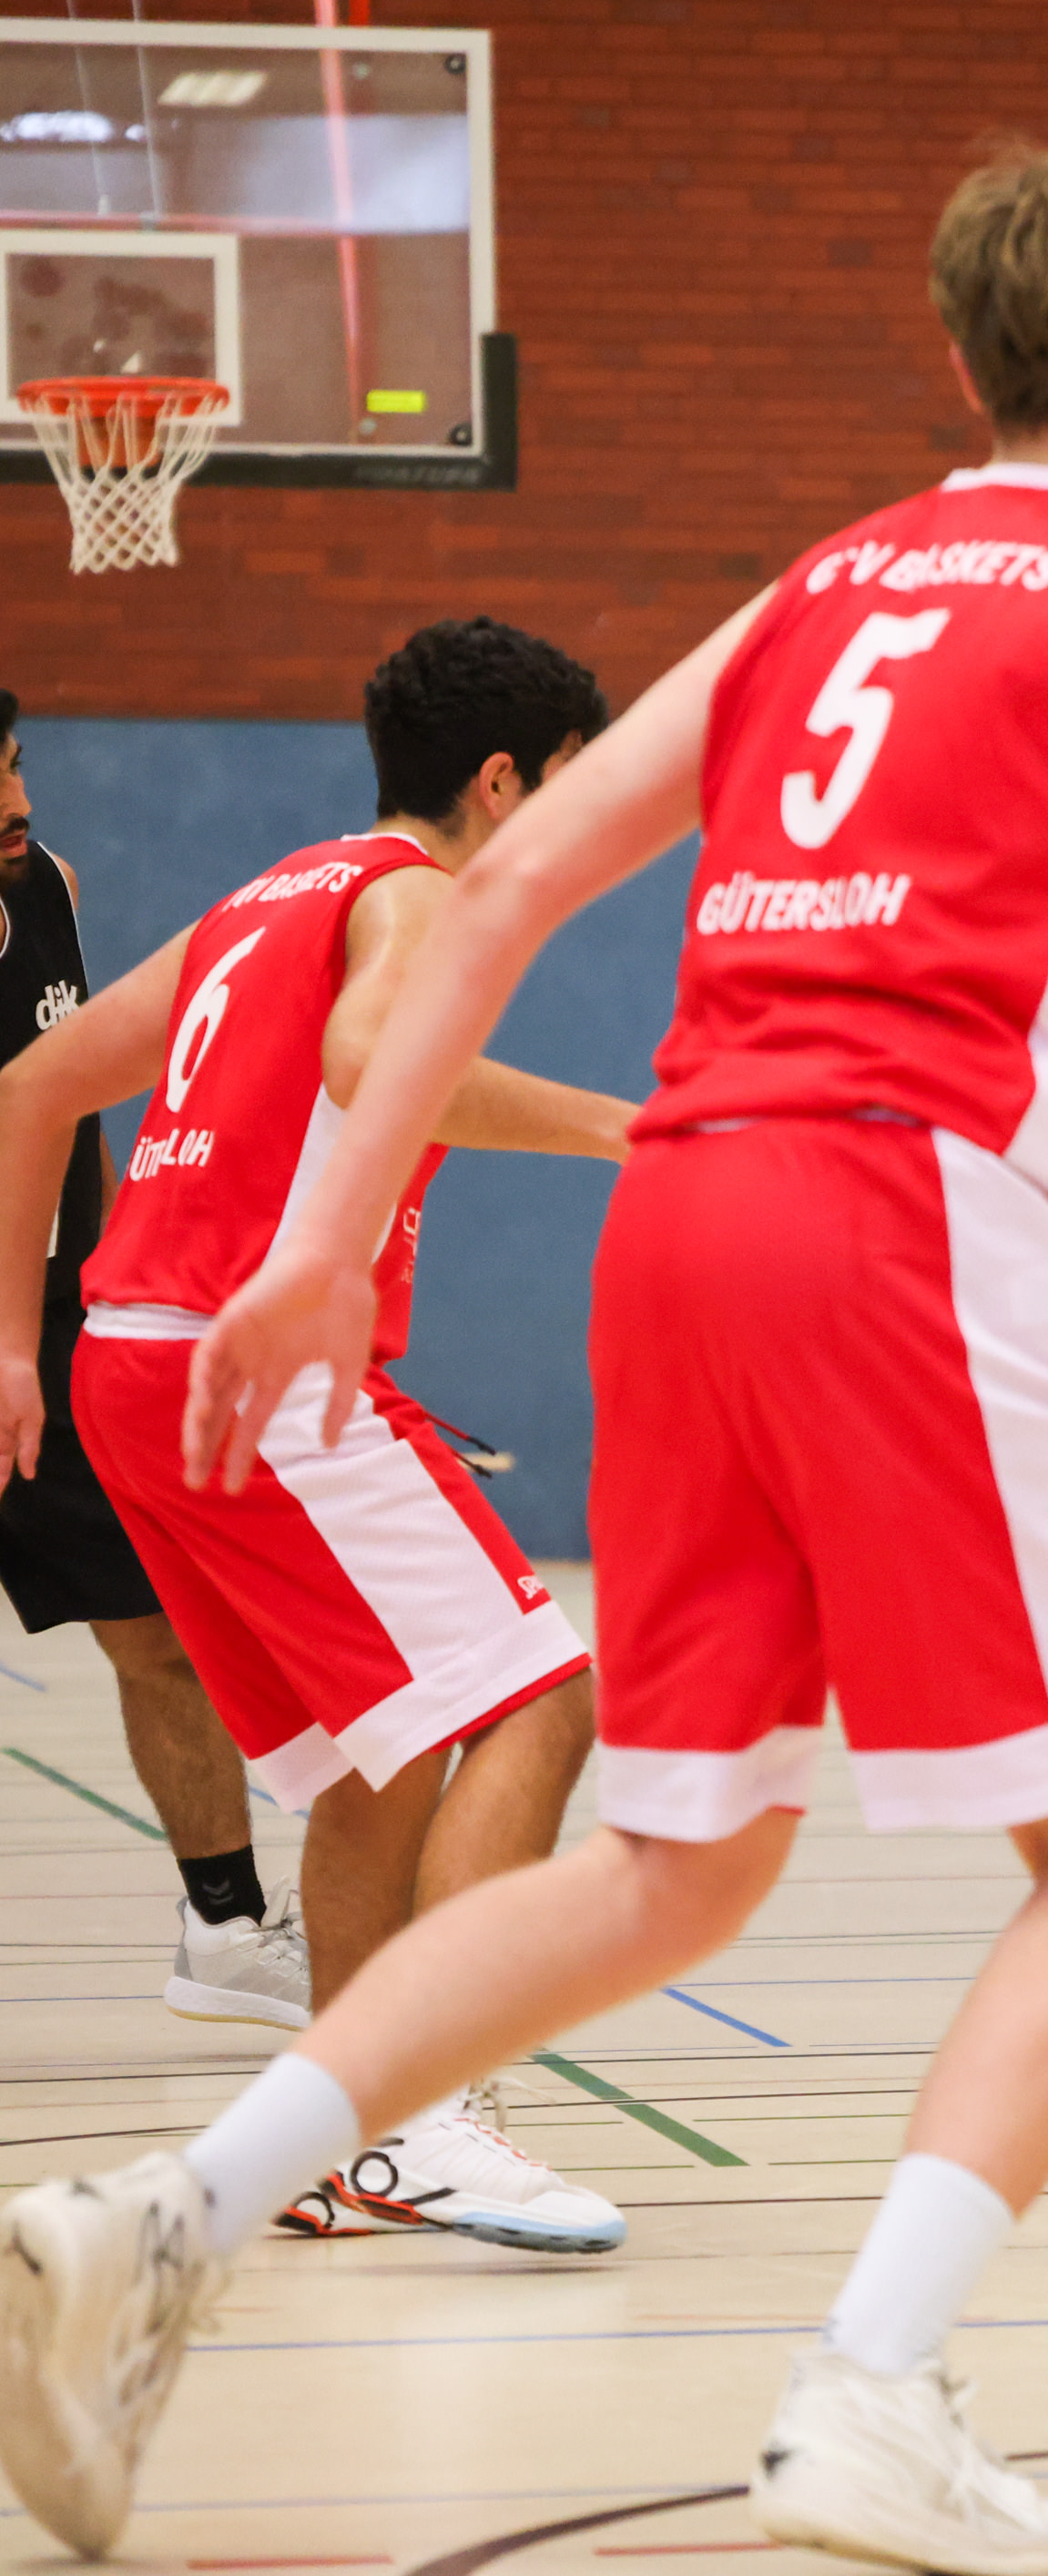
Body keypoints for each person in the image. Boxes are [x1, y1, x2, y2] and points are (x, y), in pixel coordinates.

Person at [0, 140, 1048, 2575]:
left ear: (955, 361)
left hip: (686, 1219)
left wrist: (321, 1239)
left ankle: (162, 2223)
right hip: (907, 1214)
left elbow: (503, 883)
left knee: (677, 1859)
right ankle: (869, 2391)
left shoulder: (818, 588)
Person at [0, 624, 632, 2257]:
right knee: (543, 1698)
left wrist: (13, 1343)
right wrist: (623, 1127)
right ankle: (431, 2117)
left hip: (129, 1368)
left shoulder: (269, 895)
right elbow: (375, 1063)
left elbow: (35, 1086)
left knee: (384, 1750)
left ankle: (346, 2135)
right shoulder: (421, 899)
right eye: (581, 782)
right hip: (253, 1367)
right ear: (505, 782)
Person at [0, 697, 303, 2028]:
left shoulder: (51, 888)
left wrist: (135, 1273)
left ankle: (225, 1928)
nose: (15, 801)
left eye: (14, 767)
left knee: (163, 1636)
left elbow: (75, 1113)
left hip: (59, 1335)